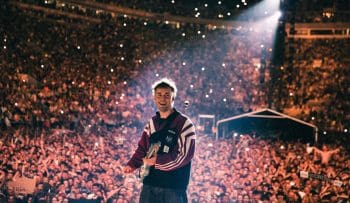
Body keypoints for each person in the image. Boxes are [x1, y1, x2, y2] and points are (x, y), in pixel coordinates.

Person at [124, 78, 196, 203]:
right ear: (154, 98)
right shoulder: (151, 123)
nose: (162, 98)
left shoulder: (184, 123)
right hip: (149, 185)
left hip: (173, 189)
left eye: (167, 95)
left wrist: (157, 161)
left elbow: (184, 155)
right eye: (159, 95)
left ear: (173, 98)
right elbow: (142, 148)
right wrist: (132, 164)